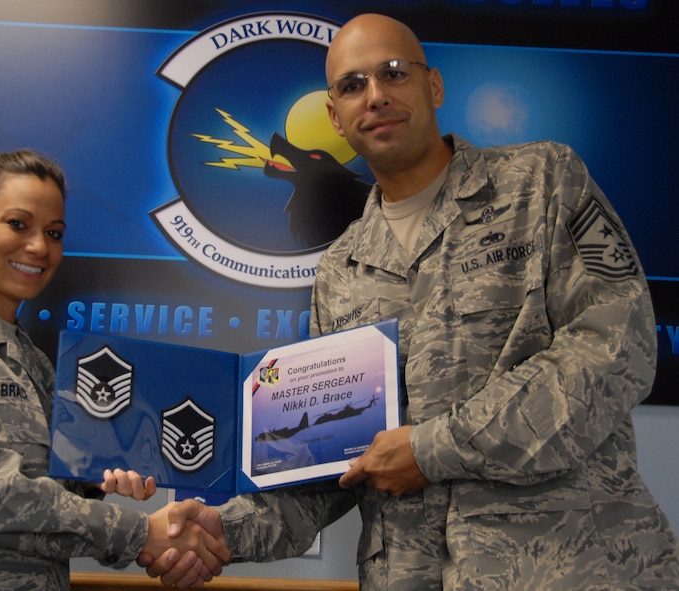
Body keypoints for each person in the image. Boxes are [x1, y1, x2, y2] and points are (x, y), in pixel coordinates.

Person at [144, 13, 679, 590]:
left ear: (435, 87)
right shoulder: (339, 271)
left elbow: (614, 350)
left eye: (394, 73)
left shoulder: (543, 181)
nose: (375, 97)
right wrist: (227, 532)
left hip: (571, 570)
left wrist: (433, 448)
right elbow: (328, 460)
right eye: (352, 85)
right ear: (334, 118)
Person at [0, 150, 228, 589]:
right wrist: (143, 533)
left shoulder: (36, 364)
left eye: (54, 232)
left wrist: (96, 479)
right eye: (17, 224)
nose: (38, 247)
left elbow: (47, 487)